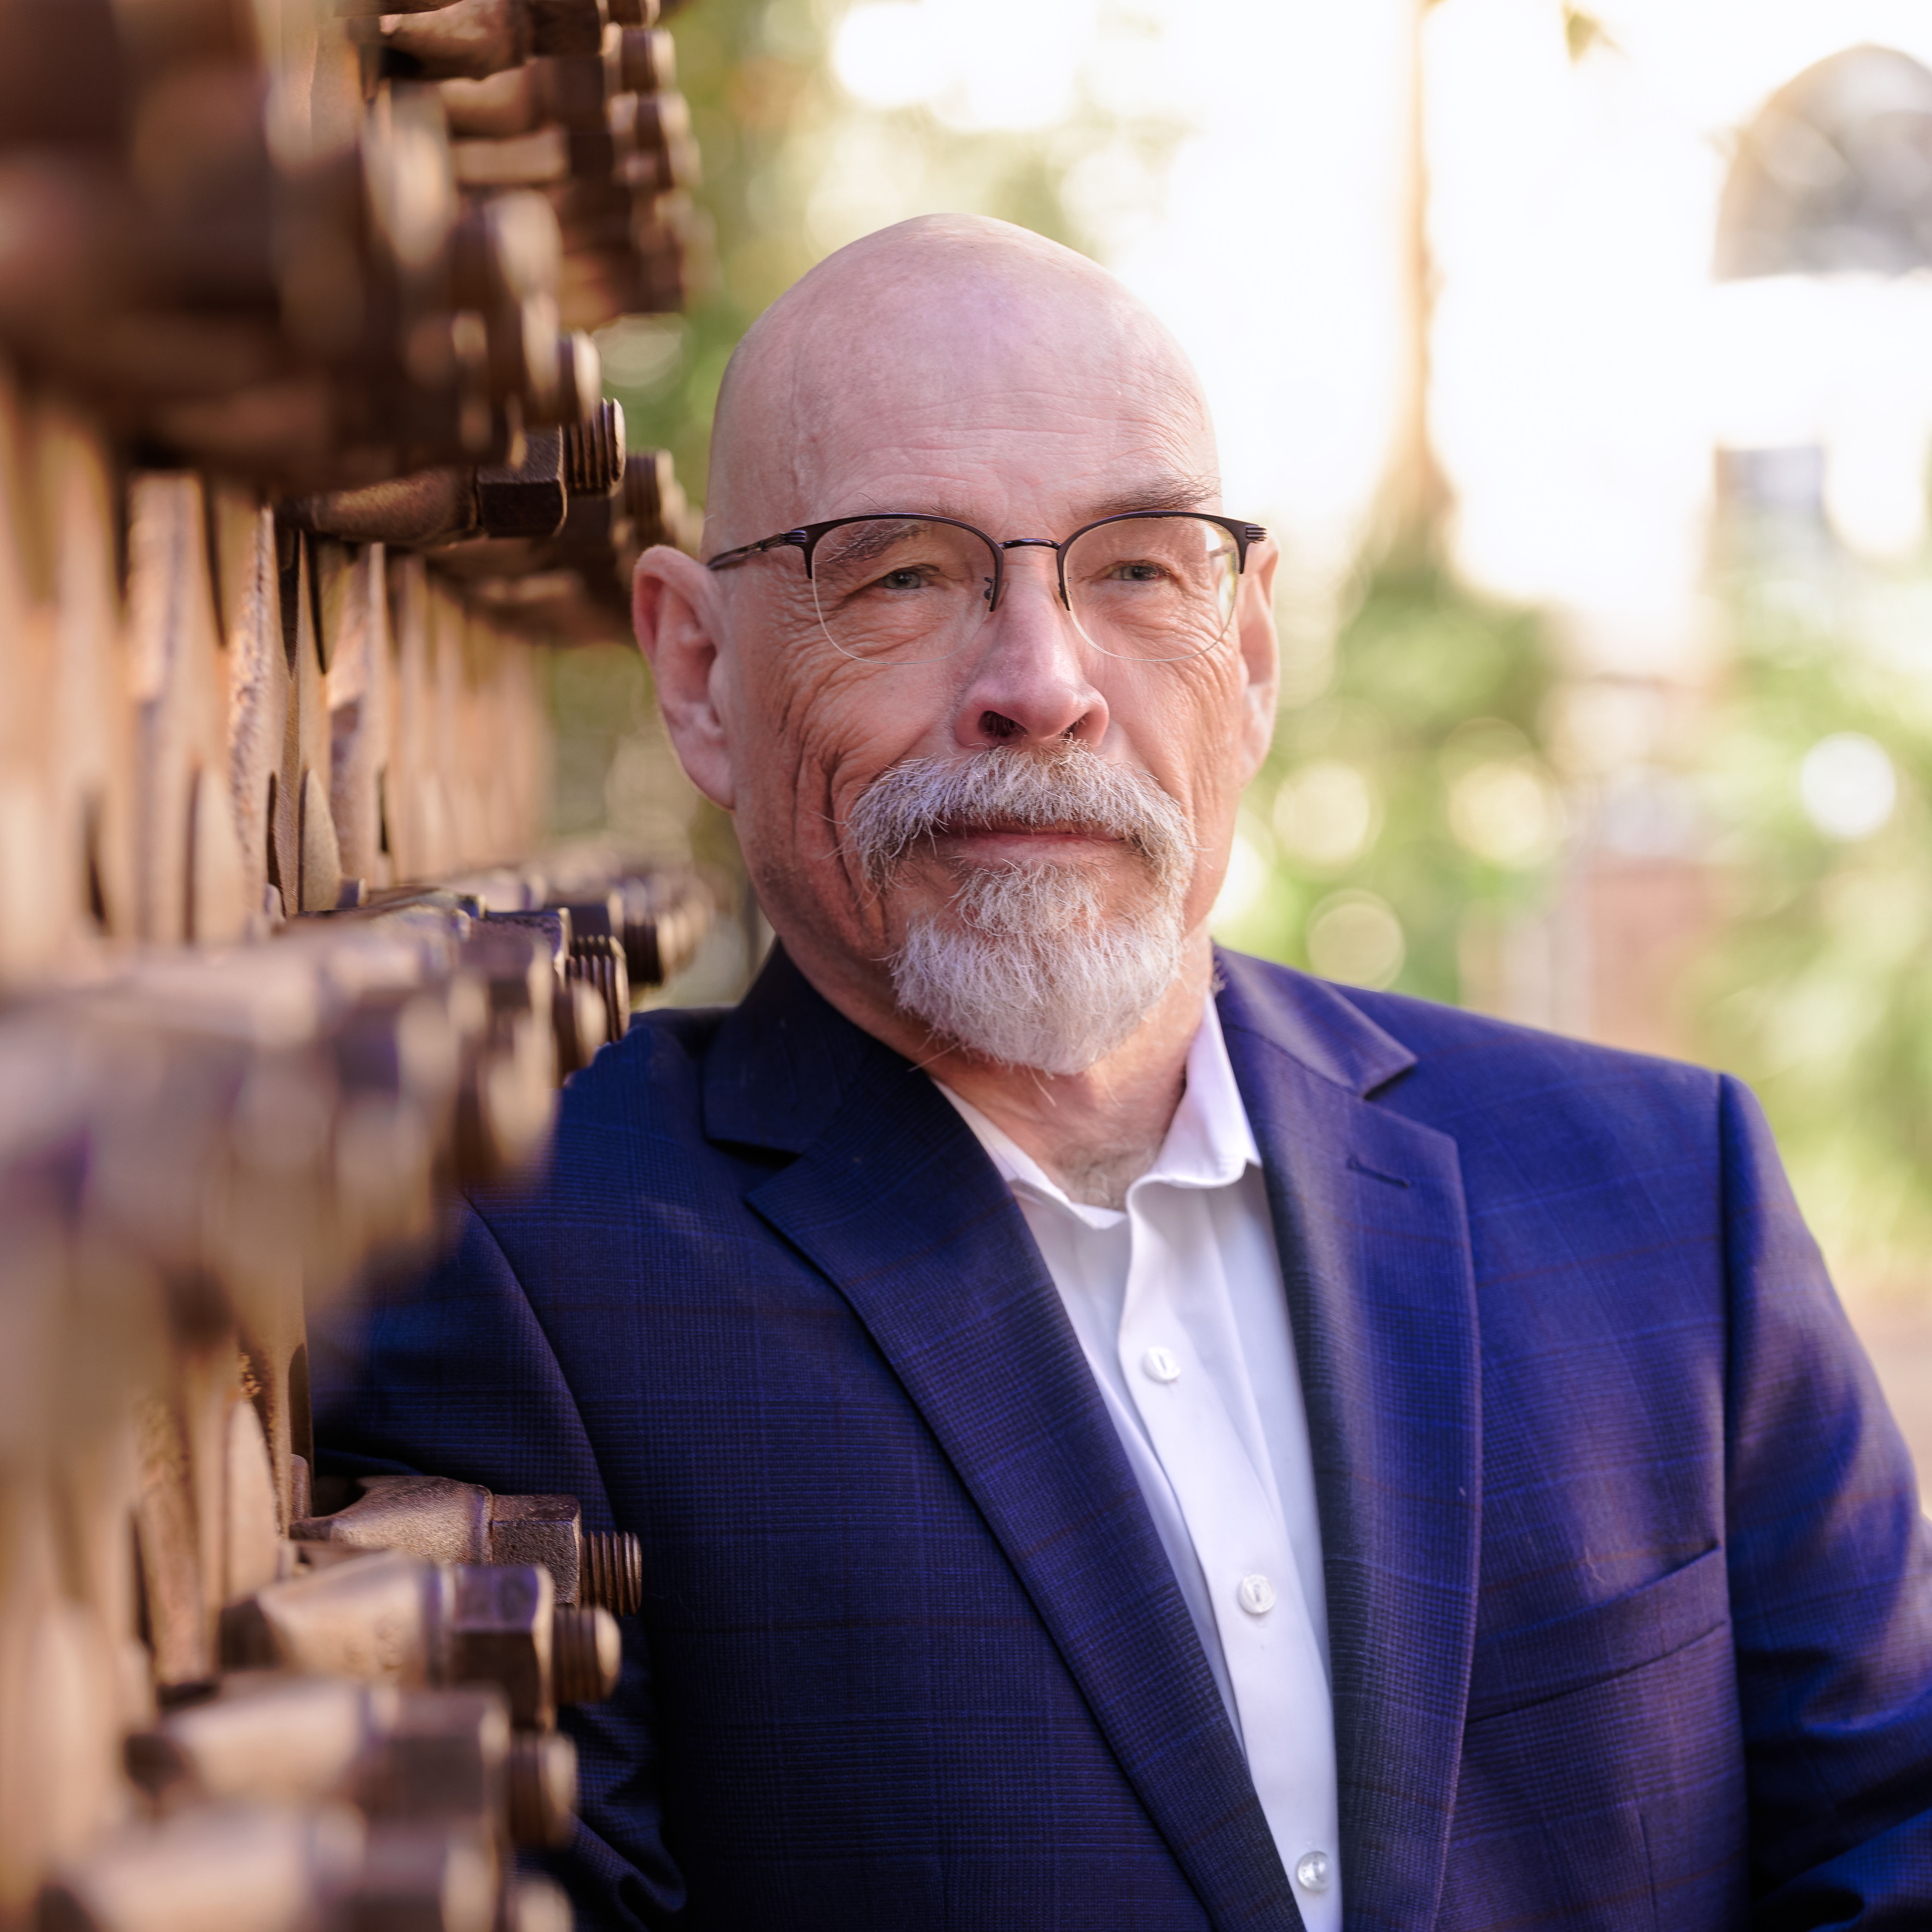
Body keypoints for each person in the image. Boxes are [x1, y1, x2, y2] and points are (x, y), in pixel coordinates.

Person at [315, 215, 1932, 1930]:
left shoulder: (1660, 1192)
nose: (1044, 683)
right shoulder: (507, 1264)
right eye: (904, 574)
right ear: (699, 671)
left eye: (1139, 568)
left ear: (1245, 653)